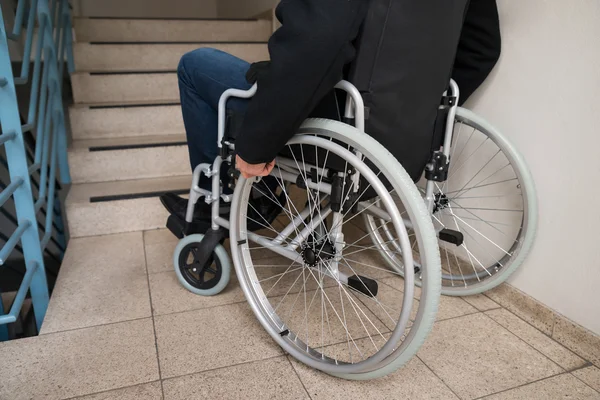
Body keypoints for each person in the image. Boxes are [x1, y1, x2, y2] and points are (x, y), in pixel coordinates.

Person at [160, 0, 501, 228]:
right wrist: (421, 105)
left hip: (337, 124)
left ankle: (215, 208)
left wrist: (255, 145)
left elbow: (318, 41)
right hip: (404, 139)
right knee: (290, 79)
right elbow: (481, 49)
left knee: (195, 65)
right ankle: (261, 195)